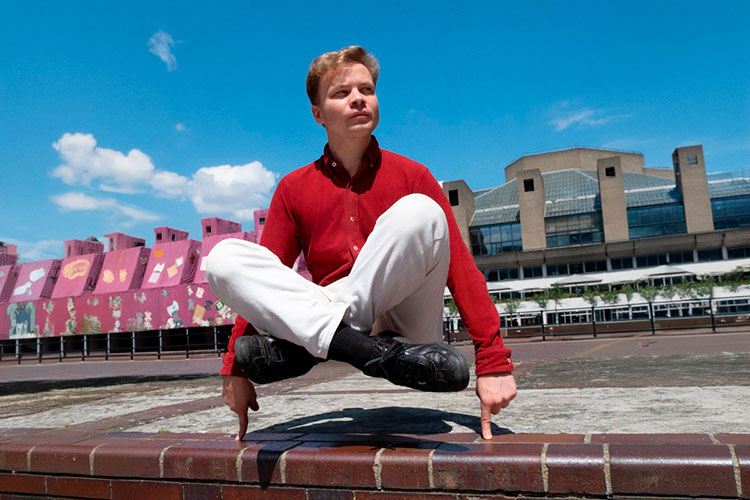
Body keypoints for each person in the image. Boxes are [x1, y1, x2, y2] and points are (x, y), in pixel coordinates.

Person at [206, 46, 516, 441]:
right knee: (224, 259)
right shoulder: (292, 188)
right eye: (341, 93)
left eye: (366, 90)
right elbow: (267, 282)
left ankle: (313, 346)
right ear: (318, 114)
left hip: (407, 323)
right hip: (383, 344)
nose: (358, 99)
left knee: (420, 211)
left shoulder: (414, 174)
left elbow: (461, 271)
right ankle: (365, 350)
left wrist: (493, 361)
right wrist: (234, 367)